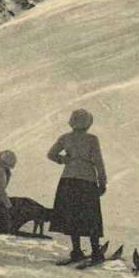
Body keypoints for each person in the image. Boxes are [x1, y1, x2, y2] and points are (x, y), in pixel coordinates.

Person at [47, 109, 107, 265]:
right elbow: (99, 162)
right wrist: (102, 181)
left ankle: (77, 250)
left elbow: (51, 154)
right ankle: (95, 252)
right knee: (90, 216)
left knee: (72, 215)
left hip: (68, 179)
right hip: (87, 180)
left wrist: (64, 160)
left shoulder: (65, 137)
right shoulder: (92, 139)